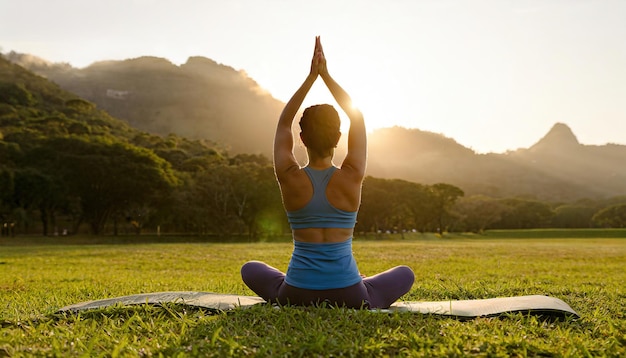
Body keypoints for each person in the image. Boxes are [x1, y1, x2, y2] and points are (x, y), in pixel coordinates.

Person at [241, 36, 414, 309]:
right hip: (350, 295)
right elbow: (357, 117)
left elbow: (283, 122)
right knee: (405, 273)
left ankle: (301, 279)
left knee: (250, 268)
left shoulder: (289, 176)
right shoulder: (352, 174)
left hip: (295, 293)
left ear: (302, 138)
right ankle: (359, 280)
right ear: (338, 138)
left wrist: (311, 78)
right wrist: (326, 76)